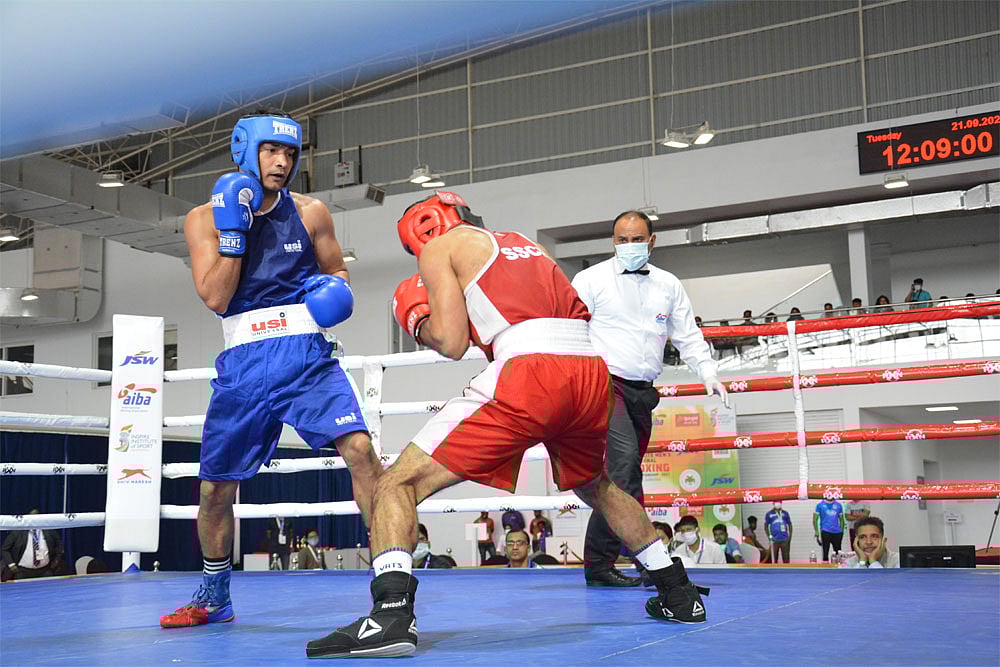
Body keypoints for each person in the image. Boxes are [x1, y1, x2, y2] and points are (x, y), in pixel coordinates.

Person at [305, 192, 709, 658]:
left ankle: (391, 615)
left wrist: (418, 321)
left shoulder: (442, 247)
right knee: (597, 485)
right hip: (591, 370)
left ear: (422, 232)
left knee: (396, 482)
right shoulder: (520, 243)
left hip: (532, 369)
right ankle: (678, 593)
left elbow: (453, 343)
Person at [161, 111, 384, 629]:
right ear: (244, 150)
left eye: (290, 154)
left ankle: (389, 582)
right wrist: (235, 234)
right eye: (271, 152)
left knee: (361, 451)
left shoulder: (311, 213)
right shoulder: (203, 219)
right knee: (216, 488)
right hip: (243, 362)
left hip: (306, 353)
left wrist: (335, 295)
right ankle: (215, 596)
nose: (282, 162)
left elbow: (337, 273)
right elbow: (216, 296)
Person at [570, 210, 727, 587]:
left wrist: (708, 372)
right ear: (613, 242)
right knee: (624, 473)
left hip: (643, 391)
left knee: (621, 477)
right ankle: (649, 559)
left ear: (651, 241)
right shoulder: (589, 280)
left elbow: (687, 334)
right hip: (603, 384)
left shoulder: (668, 284)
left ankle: (598, 562)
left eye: (636, 239)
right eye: (622, 240)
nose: (629, 246)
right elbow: (569, 328)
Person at [1, 509, 65, 581]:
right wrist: (11, 565)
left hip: (45, 571)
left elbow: (59, 546)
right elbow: (5, 549)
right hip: (22, 571)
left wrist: (56, 561)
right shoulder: (17, 532)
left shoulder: (49, 530)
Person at [814, 496, 846, 561]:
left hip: (837, 532)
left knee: (838, 553)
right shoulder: (820, 505)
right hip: (825, 531)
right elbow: (815, 519)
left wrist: (841, 531)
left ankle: (838, 568)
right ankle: (825, 570)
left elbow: (842, 520)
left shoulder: (838, 505)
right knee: (825, 553)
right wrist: (817, 531)